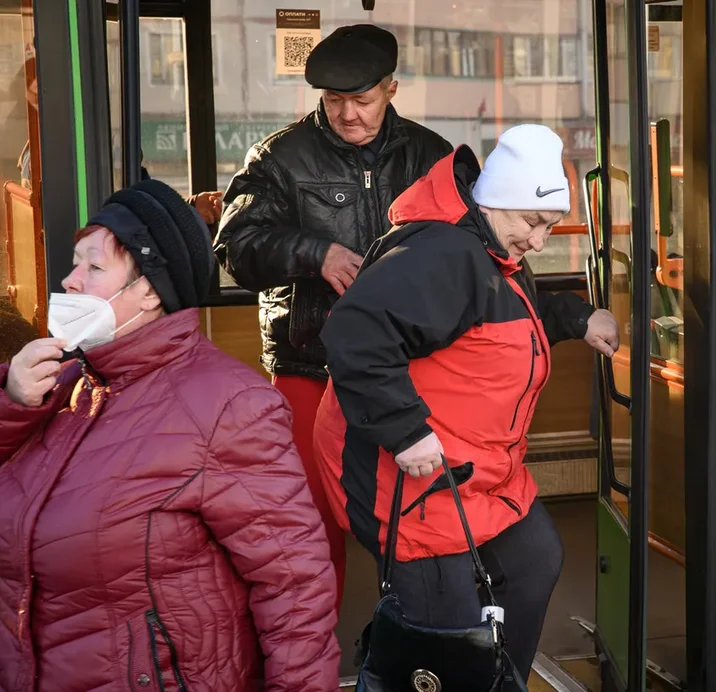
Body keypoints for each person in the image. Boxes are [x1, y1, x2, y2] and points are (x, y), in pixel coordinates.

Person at [0, 179, 340, 691]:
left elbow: (293, 585)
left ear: (151, 291)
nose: (70, 281)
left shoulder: (228, 404)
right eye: (74, 264)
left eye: (94, 267)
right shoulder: (64, 386)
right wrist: (12, 400)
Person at [319, 124, 619, 683]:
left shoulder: (490, 250)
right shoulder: (446, 253)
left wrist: (577, 317)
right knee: (446, 626)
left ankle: (498, 681)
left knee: (533, 560)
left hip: (476, 471)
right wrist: (405, 431)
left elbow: (508, 317)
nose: (539, 242)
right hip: (412, 484)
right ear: (498, 200)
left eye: (549, 227)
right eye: (533, 222)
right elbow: (355, 333)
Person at [213, 24, 453, 608]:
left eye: (362, 100)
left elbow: (470, 250)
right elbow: (235, 247)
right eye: (334, 100)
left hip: (412, 365)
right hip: (309, 364)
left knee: (420, 508)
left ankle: (421, 631)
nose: (347, 114)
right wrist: (314, 253)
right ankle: (312, 638)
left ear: (391, 89)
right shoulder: (279, 157)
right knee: (309, 521)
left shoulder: (431, 155)